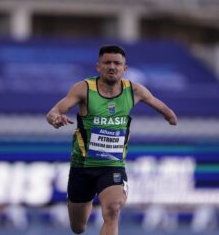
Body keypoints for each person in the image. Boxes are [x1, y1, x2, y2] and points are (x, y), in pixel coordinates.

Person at [46, 45, 177, 234]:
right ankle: (82, 202)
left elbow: (162, 107)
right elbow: (54, 111)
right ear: (98, 66)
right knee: (78, 227)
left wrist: (170, 117)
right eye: (107, 62)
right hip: (82, 167)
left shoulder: (134, 90)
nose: (112, 67)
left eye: (117, 63)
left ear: (125, 68)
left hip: (112, 165)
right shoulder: (84, 88)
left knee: (113, 209)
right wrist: (55, 118)